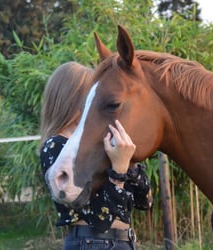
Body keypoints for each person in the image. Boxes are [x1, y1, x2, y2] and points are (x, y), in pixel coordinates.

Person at [39, 61, 152, 250]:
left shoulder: (99, 145)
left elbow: (145, 201)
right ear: (72, 98)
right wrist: (118, 172)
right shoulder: (55, 146)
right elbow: (99, 220)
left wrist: (128, 161)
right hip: (91, 243)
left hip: (123, 242)